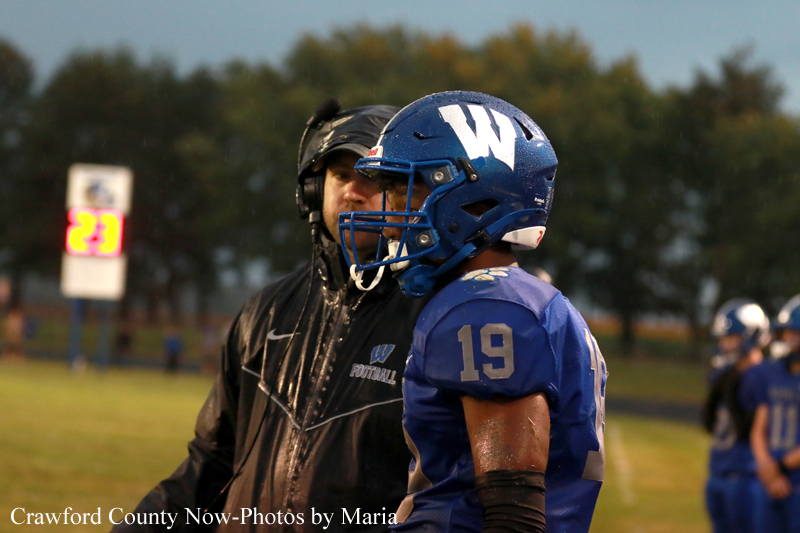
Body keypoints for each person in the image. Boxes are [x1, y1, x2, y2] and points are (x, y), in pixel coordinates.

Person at [114, 102, 430, 532]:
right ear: (313, 189)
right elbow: (212, 461)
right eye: (340, 175)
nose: (353, 192)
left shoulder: (434, 318)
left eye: (372, 178)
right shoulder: (265, 311)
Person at [339, 91, 606, 532]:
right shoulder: (520, 299)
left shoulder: (485, 308)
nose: (389, 220)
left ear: (475, 201)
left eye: (405, 190)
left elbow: (512, 516)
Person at [701, 299, 770, 533]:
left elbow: (748, 429)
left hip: (746, 474)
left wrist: (730, 386)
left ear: (753, 336)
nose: (725, 345)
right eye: (723, 338)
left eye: (732, 338)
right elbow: (709, 423)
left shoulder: (763, 377)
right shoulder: (725, 374)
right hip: (718, 469)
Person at [750, 294, 800, 532]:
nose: (789, 339)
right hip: (770, 479)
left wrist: (779, 468)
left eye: (795, 333)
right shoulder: (773, 373)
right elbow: (759, 429)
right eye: (787, 333)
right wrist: (768, 468)